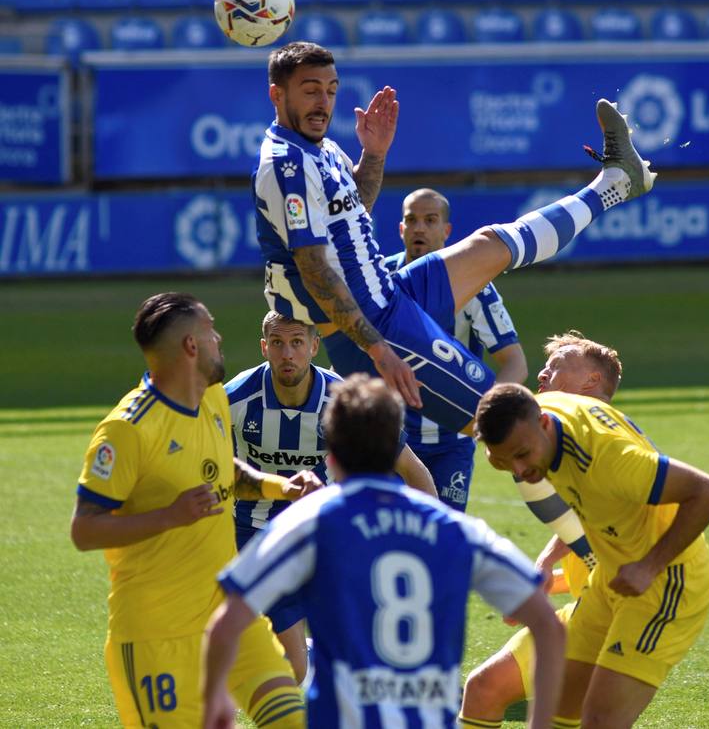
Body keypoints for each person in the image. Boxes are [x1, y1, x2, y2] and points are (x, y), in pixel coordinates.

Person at [253, 41, 656, 434]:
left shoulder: (321, 150)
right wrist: (378, 349)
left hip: (390, 292)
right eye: (310, 91)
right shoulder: (287, 166)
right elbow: (314, 271)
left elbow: (353, 215)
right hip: (372, 327)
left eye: (330, 91)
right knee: (503, 423)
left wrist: (374, 154)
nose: (323, 102)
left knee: (490, 243)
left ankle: (616, 182)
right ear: (277, 95)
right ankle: (596, 443)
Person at [202, 374, 567, 729]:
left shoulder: (308, 523)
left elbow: (224, 626)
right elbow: (548, 626)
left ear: (331, 455)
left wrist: (216, 700)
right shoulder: (454, 529)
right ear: (395, 448)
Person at [70, 292, 315, 728]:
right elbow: (84, 530)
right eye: (210, 330)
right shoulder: (126, 430)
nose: (218, 339)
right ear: (190, 346)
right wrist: (169, 516)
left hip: (230, 619)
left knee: (290, 720)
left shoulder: (212, 397)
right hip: (156, 639)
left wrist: (281, 486)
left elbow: (224, 469)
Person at [473, 368, 709, 729]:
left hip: (664, 583)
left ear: (544, 423)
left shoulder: (608, 459)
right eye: (501, 460)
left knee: (599, 720)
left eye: (523, 454)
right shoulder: (537, 412)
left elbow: (708, 492)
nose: (519, 469)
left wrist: (649, 566)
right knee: (558, 708)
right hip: (608, 579)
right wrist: (548, 561)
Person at [226, 309, 437, 682]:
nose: (287, 354)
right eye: (277, 343)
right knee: (294, 669)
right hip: (257, 536)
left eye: (296, 342)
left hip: (326, 535)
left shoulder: (343, 403)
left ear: (314, 346)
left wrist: (431, 538)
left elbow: (412, 470)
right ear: (264, 347)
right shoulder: (235, 399)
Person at [460, 331, 625, 727]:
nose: (542, 374)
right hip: (585, 608)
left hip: (614, 617)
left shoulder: (611, 444)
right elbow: (583, 523)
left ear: (592, 380)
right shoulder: (560, 441)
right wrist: (546, 569)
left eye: (556, 367)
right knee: (483, 689)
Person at [382, 186, 528, 511]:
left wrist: (487, 416)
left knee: (443, 530)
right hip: (391, 435)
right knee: (391, 527)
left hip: (453, 441)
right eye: (412, 220)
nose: (420, 228)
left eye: (430, 220)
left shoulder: (476, 285)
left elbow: (515, 362)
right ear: (401, 228)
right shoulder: (381, 281)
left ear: (446, 231)